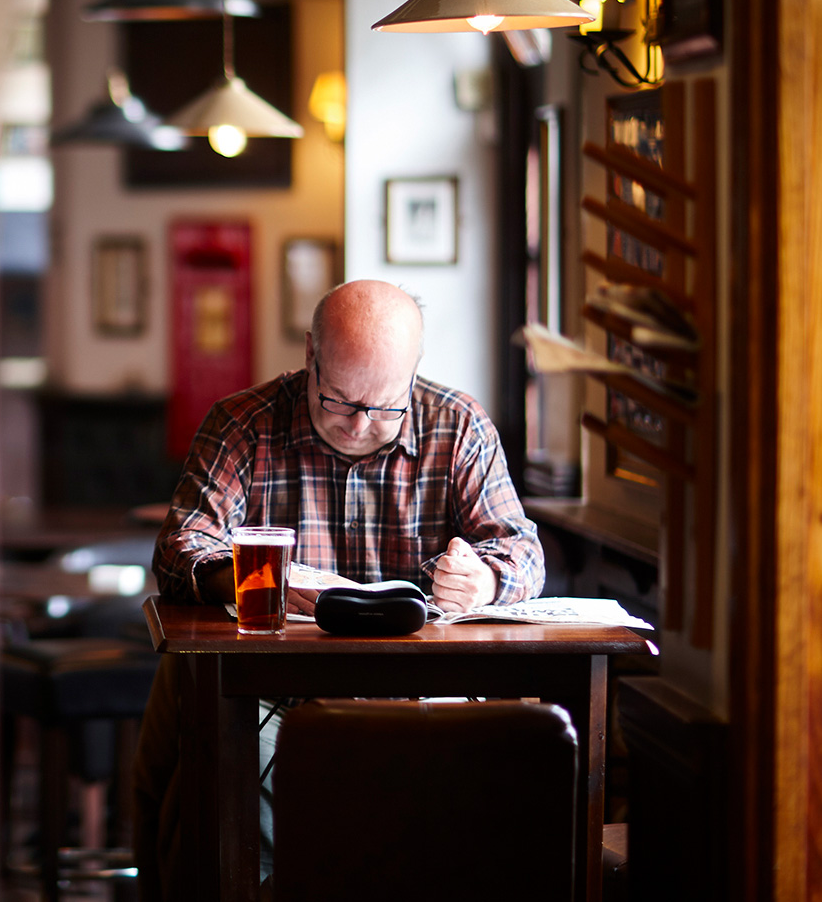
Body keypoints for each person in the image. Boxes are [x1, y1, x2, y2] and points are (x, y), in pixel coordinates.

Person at [134, 279, 544, 900]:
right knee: (232, 760)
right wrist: (258, 581)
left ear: (413, 374)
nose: (360, 424)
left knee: (516, 766)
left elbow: (524, 550)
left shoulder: (458, 426)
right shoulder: (244, 424)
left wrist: (485, 578)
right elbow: (178, 551)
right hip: (277, 692)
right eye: (340, 401)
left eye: (384, 407)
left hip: (422, 695)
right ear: (310, 357)